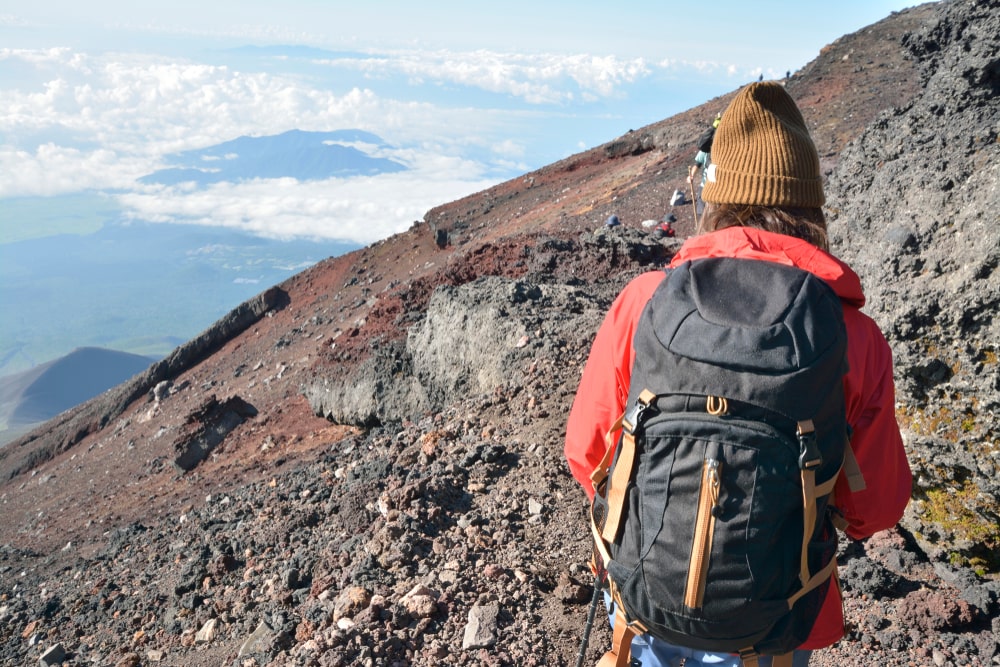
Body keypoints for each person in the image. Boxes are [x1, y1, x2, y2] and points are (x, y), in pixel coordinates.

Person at [565, 81, 912, 667]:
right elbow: (874, 508)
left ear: (716, 194)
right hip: (778, 616)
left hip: (648, 597)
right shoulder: (854, 337)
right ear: (811, 204)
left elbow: (586, 452)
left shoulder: (644, 301)